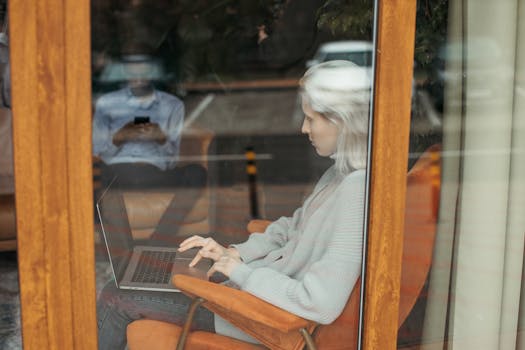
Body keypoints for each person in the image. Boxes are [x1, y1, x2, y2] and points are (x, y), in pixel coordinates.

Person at [96, 60, 370, 348]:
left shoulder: (354, 190)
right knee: (140, 279)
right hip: (251, 295)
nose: (304, 128)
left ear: (341, 120)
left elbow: (321, 302)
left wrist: (240, 272)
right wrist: (234, 254)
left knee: (116, 296)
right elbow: (291, 229)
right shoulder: (338, 175)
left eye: (311, 119)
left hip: (258, 317)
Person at [92, 54, 207, 244]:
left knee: (197, 173)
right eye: (132, 67)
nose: (138, 73)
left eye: (144, 67)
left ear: (153, 70)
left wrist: (160, 138)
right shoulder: (107, 103)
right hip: (118, 173)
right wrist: (120, 137)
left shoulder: (172, 105)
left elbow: (172, 160)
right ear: (125, 70)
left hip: (155, 173)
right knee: (97, 183)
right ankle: (124, 253)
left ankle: (159, 240)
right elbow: (96, 152)